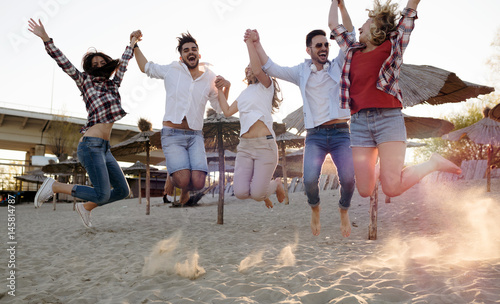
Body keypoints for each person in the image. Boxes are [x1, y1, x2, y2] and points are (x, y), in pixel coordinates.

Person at [329, 0, 461, 199]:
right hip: (359, 124)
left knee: (391, 188)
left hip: (388, 120)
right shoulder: (351, 51)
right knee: (364, 190)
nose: (359, 27)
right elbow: (334, 25)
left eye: (365, 22)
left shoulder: (393, 46)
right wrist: (337, 4)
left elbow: (409, 15)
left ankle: (432, 163)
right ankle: (383, 166)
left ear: (377, 27)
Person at [246, 8, 356, 237]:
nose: (324, 48)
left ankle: (343, 208)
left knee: (348, 178)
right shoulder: (301, 72)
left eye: (326, 44)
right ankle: (315, 208)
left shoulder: (338, 64)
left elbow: (351, 36)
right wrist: (256, 43)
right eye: (319, 45)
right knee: (308, 181)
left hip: (340, 132)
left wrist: (341, 7)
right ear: (309, 50)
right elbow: (272, 67)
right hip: (315, 135)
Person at [29, 19, 135, 228]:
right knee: (102, 193)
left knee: (123, 191)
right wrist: (45, 38)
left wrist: (132, 43)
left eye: (101, 63)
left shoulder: (113, 85)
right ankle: (56, 186)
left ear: (107, 65)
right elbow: (64, 62)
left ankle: (85, 207)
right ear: (88, 68)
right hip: (90, 145)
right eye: (93, 65)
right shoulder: (84, 81)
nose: (98, 66)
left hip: (105, 149)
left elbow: (124, 63)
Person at [131, 31, 229, 205]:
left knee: (198, 182)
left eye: (193, 49)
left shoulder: (210, 77)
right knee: (182, 179)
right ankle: (173, 174)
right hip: (172, 134)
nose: (190, 52)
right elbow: (145, 67)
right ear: (182, 56)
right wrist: (135, 45)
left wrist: (226, 87)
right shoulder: (172, 69)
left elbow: (220, 108)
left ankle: (181, 183)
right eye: (186, 50)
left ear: (199, 54)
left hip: (195, 135)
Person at [215, 31, 286, 209]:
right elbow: (227, 111)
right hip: (245, 147)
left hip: (265, 146)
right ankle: (264, 192)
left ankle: (276, 184)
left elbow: (256, 69)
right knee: (240, 192)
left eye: (251, 66)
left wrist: (249, 43)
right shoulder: (244, 93)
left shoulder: (266, 85)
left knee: (256, 194)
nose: (249, 69)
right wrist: (223, 88)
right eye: (246, 67)